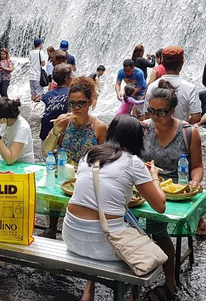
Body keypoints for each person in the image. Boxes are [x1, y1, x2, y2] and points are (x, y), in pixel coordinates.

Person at [63, 115, 166, 301]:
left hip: (71, 238)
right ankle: (131, 298)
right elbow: (160, 206)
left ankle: (88, 292)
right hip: (105, 246)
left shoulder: (89, 154)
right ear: (137, 138)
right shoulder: (133, 162)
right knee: (143, 252)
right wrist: (154, 176)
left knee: (100, 227)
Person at [141, 80, 204, 301]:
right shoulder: (143, 128)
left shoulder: (188, 132)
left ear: (173, 110)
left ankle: (170, 280)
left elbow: (197, 167)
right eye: (151, 110)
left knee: (158, 231)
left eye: (161, 112)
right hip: (146, 187)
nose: (155, 116)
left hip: (176, 192)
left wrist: (194, 183)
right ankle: (136, 277)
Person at [42, 77, 108, 238]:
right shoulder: (64, 122)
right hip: (63, 173)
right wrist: (56, 130)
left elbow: (105, 158)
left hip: (86, 177)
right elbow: (47, 149)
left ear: (90, 102)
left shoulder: (99, 127)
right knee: (54, 200)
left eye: (81, 103)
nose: (76, 108)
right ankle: (51, 229)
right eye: (72, 103)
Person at [145, 46, 201, 124]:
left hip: (158, 132)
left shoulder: (152, 86)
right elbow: (196, 117)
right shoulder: (190, 88)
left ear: (163, 64)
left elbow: (147, 115)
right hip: (180, 132)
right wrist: (183, 124)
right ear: (182, 64)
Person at [0, 98, 34, 164]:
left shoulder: (22, 128)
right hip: (4, 163)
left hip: (21, 166)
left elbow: (10, 159)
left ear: (3, 119)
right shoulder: (3, 122)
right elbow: (0, 144)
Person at [40, 64, 73, 141]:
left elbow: (41, 115)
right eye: (72, 75)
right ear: (66, 79)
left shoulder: (47, 95)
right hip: (63, 136)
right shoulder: (73, 94)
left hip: (46, 134)